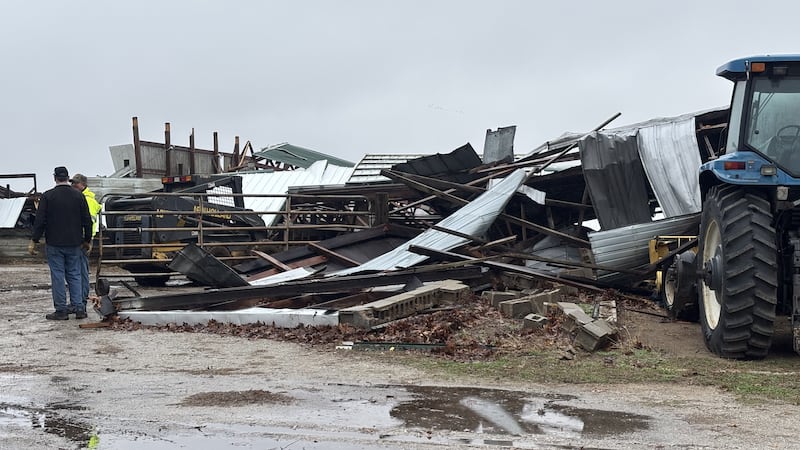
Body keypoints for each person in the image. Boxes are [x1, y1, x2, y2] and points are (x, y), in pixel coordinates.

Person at [29, 166, 92, 320]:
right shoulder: (78, 196)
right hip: (75, 243)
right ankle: (79, 309)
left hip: (54, 243)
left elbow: (40, 221)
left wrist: (34, 240)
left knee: (57, 276)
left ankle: (61, 311)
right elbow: (87, 220)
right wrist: (87, 240)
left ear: (54, 177)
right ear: (67, 177)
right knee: (75, 275)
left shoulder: (48, 196)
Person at [69, 173, 102, 306]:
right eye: (72, 183)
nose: (73, 185)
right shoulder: (87, 198)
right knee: (81, 268)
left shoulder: (86, 199)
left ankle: (81, 299)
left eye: (75, 183)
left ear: (83, 185)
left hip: (83, 239)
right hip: (86, 237)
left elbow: (86, 221)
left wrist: (85, 239)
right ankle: (81, 298)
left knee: (80, 270)